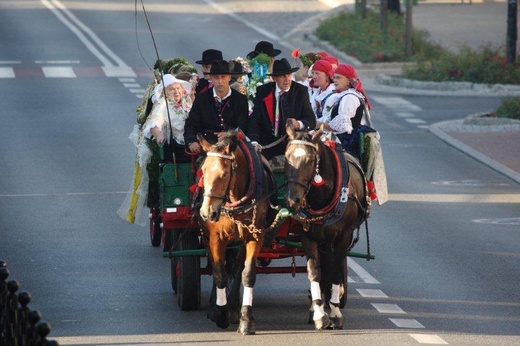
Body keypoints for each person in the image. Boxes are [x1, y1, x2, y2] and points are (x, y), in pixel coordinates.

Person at [117, 74, 193, 225]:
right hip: (174, 145)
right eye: (172, 89)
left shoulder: (187, 103)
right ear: (165, 92)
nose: (176, 92)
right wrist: (159, 135)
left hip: (191, 141)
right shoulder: (162, 105)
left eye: (178, 88)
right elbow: (154, 123)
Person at [248, 58, 316, 160]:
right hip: (267, 144)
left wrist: (298, 124)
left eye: (289, 75)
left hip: (292, 144)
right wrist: (254, 141)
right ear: (274, 78)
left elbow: (311, 119)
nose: (287, 79)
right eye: (282, 76)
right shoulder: (263, 91)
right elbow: (255, 119)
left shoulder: (301, 91)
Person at [184, 60, 250, 154]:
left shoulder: (240, 99)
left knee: (253, 160)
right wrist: (191, 141)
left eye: (223, 77)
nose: (220, 81)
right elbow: (191, 124)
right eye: (216, 77)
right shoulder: (201, 99)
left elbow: (243, 125)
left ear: (229, 77)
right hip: (207, 145)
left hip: (233, 144)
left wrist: (229, 134)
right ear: (211, 78)